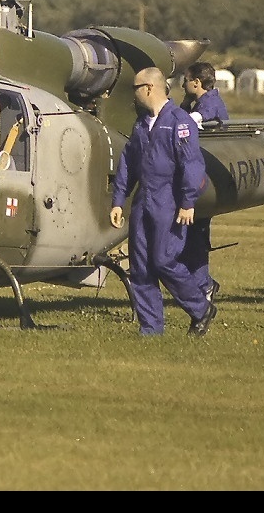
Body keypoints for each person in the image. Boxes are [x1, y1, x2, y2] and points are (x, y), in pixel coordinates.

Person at [109, 67, 217, 337]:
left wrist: (188, 202)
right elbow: (128, 163)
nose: (132, 95)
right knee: (140, 266)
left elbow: (192, 165)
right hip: (143, 201)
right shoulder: (141, 124)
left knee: (164, 260)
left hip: (168, 202)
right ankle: (151, 328)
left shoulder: (180, 122)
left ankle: (200, 308)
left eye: (135, 88)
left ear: (148, 88)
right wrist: (118, 199)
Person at [179, 61, 229, 306]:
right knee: (190, 236)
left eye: (185, 80)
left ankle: (204, 285)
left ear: (196, 83)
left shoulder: (209, 104)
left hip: (202, 177)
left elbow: (192, 121)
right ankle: (202, 283)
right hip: (197, 176)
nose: (183, 84)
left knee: (196, 236)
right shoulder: (198, 102)